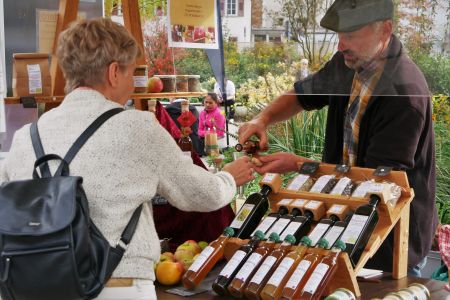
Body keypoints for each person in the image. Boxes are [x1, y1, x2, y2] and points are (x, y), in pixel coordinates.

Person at [0, 18, 255, 300]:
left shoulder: (27, 137)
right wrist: (229, 177)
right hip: (116, 286)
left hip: (32, 287)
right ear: (113, 73)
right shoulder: (137, 127)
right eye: (132, 74)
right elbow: (199, 194)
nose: (133, 86)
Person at [238, 0, 437, 277]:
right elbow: (303, 94)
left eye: (351, 35)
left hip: (388, 243)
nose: (340, 45)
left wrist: (298, 165)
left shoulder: (404, 95)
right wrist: (263, 119)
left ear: (385, 31)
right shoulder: (348, 63)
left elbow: (378, 184)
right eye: (339, 35)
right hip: (344, 222)